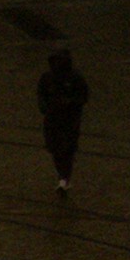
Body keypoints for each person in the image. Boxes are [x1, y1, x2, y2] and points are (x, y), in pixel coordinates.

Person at [36, 49, 88, 196]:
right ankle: (62, 176)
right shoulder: (47, 77)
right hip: (52, 118)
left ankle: (64, 179)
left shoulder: (75, 78)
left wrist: (71, 102)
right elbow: (41, 94)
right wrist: (45, 107)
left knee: (67, 148)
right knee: (55, 148)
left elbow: (83, 96)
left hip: (70, 119)